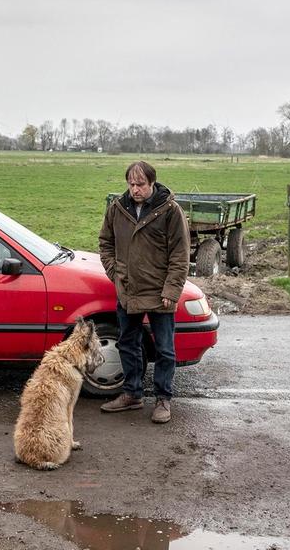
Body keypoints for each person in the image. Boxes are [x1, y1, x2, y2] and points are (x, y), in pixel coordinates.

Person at [97, 161, 190, 424]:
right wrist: (116, 274)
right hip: (129, 289)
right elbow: (106, 243)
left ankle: (163, 399)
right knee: (128, 342)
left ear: (152, 183)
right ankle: (132, 394)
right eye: (131, 184)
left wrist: (172, 291)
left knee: (164, 348)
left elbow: (180, 256)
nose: (135, 190)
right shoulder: (117, 209)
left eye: (140, 184)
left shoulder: (170, 211)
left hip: (160, 291)